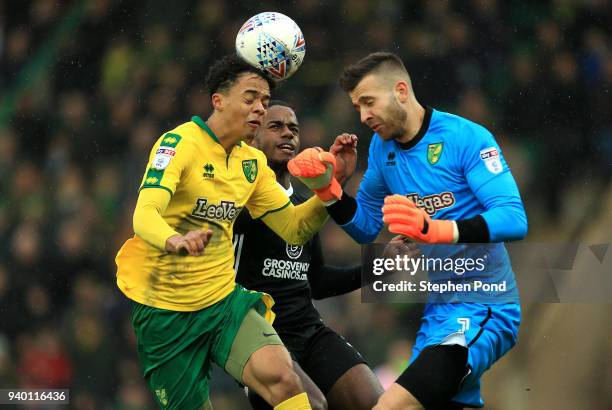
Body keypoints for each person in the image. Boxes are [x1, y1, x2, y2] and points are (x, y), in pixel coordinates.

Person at [288, 52, 528, 410]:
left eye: (368, 102)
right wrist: (329, 190)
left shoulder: (466, 137)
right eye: (357, 107)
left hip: (483, 303)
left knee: (389, 407)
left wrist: (435, 229)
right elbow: (366, 228)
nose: (363, 116)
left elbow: (513, 218)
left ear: (401, 90)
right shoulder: (383, 151)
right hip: (437, 314)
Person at [115, 54, 337, 410]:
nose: (260, 109)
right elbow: (145, 214)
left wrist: (328, 189)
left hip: (222, 302)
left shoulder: (252, 162)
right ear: (218, 100)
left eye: (264, 101)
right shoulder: (179, 144)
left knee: (285, 381)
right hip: (165, 313)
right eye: (250, 98)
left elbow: (294, 229)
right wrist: (175, 239)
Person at [234, 100, 384, 410]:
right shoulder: (238, 199)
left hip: (308, 329)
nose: (287, 133)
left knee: (375, 402)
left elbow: (316, 281)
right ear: (253, 139)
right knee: (312, 406)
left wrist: (377, 268)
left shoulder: (306, 206)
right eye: (275, 126)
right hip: (257, 335)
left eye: (293, 128)